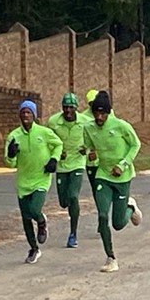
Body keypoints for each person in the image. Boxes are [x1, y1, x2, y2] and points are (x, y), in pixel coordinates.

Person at [83, 91, 142, 273]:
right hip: (103, 175)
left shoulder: (121, 125)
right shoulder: (89, 128)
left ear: (108, 113)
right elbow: (88, 147)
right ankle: (111, 258)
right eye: (96, 113)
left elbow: (136, 144)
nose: (99, 117)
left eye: (103, 113)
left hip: (122, 177)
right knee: (102, 216)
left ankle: (130, 207)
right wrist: (89, 153)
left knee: (118, 223)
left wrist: (122, 165)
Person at [4, 100, 63, 264]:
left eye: (28, 112)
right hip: (23, 182)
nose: (25, 115)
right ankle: (34, 248)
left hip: (41, 179)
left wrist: (54, 159)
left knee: (34, 209)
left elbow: (58, 144)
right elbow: (10, 163)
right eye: (23, 112)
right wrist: (11, 154)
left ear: (34, 115)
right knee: (25, 217)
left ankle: (42, 221)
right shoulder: (14, 136)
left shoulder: (44, 132)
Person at [47, 92, 88, 248]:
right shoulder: (54, 122)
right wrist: (55, 152)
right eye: (65, 107)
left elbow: (94, 138)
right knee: (64, 202)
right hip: (62, 165)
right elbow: (48, 141)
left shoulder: (85, 122)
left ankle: (73, 233)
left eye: (71, 107)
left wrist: (87, 149)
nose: (68, 111)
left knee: (73, 196)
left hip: (78, 163)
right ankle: (70, 207)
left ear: (76, 108)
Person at [81, 89, 100, 196]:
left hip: (105, 159)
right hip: (91, 161)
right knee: (96, 189)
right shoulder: (84, 117)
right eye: (91, 103)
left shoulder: (109, 114)